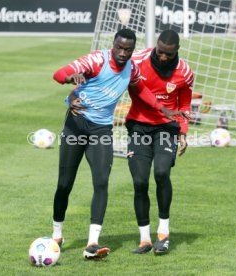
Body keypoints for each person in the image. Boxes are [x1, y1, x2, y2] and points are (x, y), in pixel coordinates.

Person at [51, 28, 187, 260]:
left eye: (128, 49)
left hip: (101, 129)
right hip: (76, 124)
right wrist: (69, 79)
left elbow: (141, 90)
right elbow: (59, 73)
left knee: (102, 181)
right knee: (65, 183)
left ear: (133, 50)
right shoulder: (95, 60)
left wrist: (162, 108)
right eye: (120, 48)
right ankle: (57, 234)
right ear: (113, 44)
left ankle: (92, 243)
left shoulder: (132, 68)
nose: (123, 53)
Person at [125, 29, 194, 255]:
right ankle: (145, 239)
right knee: (140, 182)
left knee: (162, 173)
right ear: (156, 46)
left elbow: (184, 105)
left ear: (177, 51)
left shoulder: (184, 73)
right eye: (161, 52)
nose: (163, 57)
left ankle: (163, 234)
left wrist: (183, 132)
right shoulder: (136, 61)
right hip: (138, 126)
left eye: (169, 54)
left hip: (166, 127)